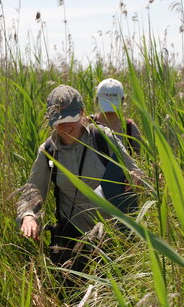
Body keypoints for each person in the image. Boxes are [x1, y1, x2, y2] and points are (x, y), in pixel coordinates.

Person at [16, 84, 141, 289]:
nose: (65, 128)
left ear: (83, 113)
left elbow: (134, 171)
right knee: (69, 291)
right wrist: (28, 215)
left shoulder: (103, 138)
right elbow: (33, 188)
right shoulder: (49, 151)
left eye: (70, 120)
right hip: (73, 232)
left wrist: (137, 179)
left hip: (112, 231)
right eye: (59, 122)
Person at [94, 78, 142, 155]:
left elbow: (141, 158)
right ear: (122, 100)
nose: (109, 113)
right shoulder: (86, 124)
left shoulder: (129, 128)